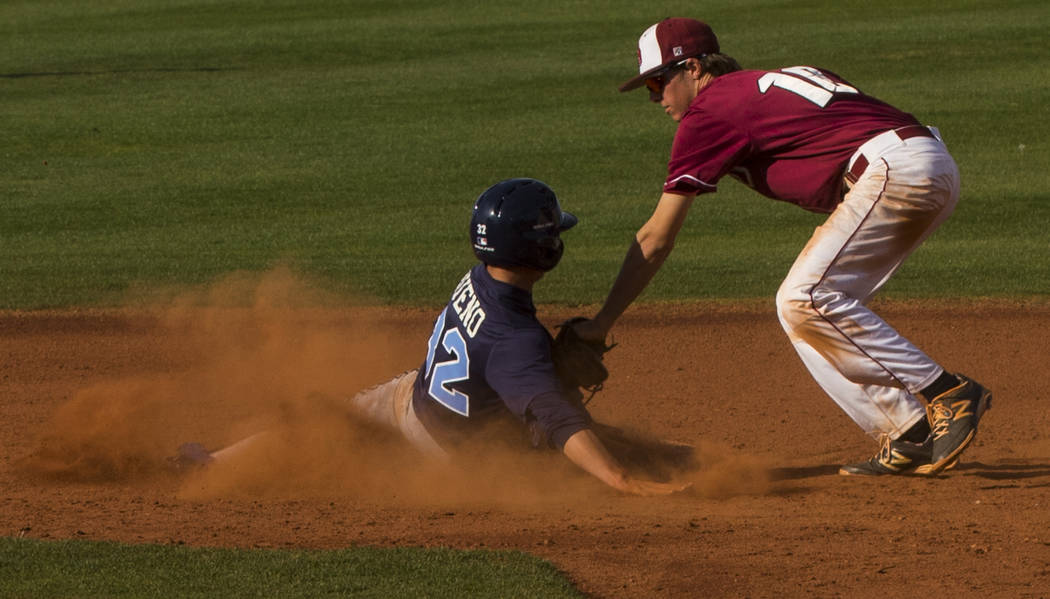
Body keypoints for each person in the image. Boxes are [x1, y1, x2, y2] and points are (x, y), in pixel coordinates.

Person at [571, 18, 992, 476]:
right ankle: (907, 430)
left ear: (692, 68)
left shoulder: (710, 110)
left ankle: (946, 391)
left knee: (804, 297)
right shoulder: (755, 89)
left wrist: (601, 323)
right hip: (922, 163)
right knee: (801, 312)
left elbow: (656, 238)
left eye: (657, 81)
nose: (655, 97)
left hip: (895, 170)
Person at [174, 178, 690, 496]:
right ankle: (673, 467)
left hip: (410, 397)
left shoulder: (481, 277)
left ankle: (213, 464)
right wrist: (620, 480)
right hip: (454, 450)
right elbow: (553, 418)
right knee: (608, 453)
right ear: (539, 251)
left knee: (326, 422)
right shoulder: (516, 341)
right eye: (552, 233)